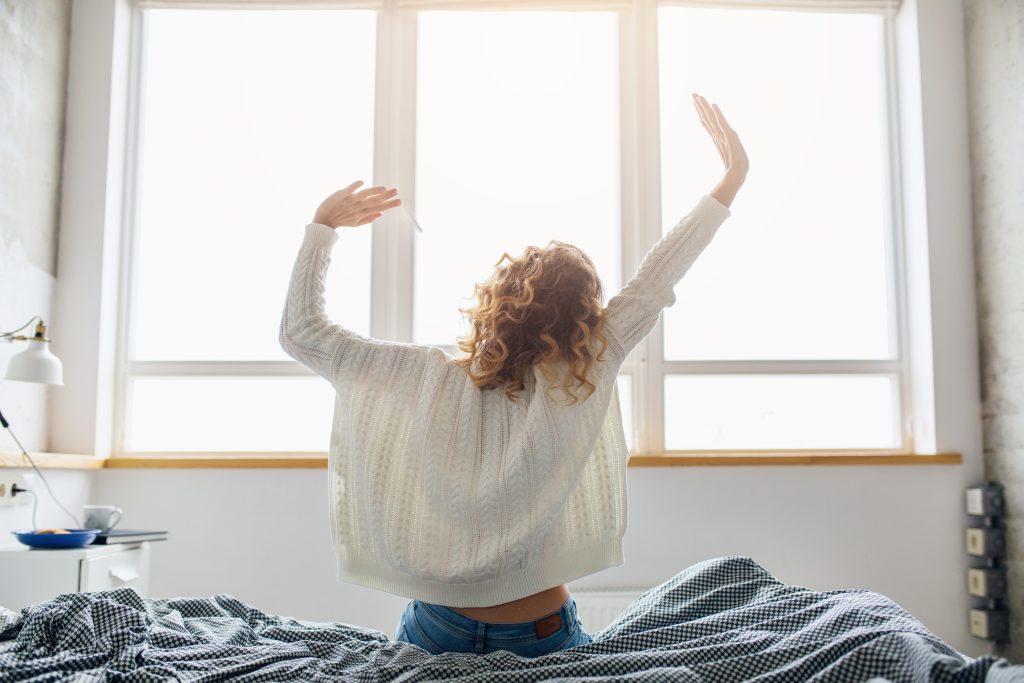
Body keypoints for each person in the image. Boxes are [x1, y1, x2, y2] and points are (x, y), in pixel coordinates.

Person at [280, 92, 748, 657]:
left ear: (495, 302)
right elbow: (657, 278)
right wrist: (730, 180)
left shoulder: (422, 375)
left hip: (437, 630)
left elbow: (302, 333)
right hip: (542, 632)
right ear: (585, 319)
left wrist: (322, 228)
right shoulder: (586, 369)